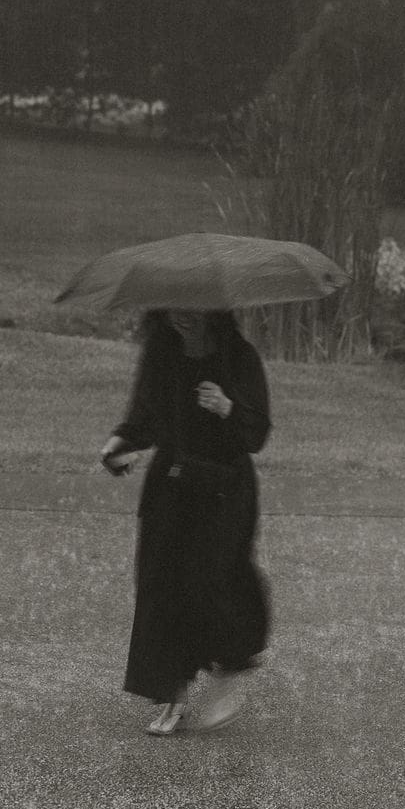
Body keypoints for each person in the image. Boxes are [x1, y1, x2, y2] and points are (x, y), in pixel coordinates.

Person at [100, 308, 272, 736]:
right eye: (174, 309)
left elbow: (256, 435)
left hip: (225, 488)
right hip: (173, 485)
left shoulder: (240, 357)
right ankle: (171, 691)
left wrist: (228, 407)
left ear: (214, 311)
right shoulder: (162, 352)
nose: (182, 318)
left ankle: (227, 674)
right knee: (163, 585)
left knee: (218, 581)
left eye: (192, 310)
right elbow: (145, 415)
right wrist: (118, 447)